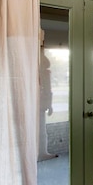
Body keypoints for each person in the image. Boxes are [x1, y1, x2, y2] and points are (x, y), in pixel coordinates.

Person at [38, 29, 58, 161]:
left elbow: (48, 89)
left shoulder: (44, 69)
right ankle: (39, 152)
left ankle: (42, 151)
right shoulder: (40, 66)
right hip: (38, 103)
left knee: (41, 128)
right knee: (39, 128)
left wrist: (49, 104)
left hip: (41, 103)